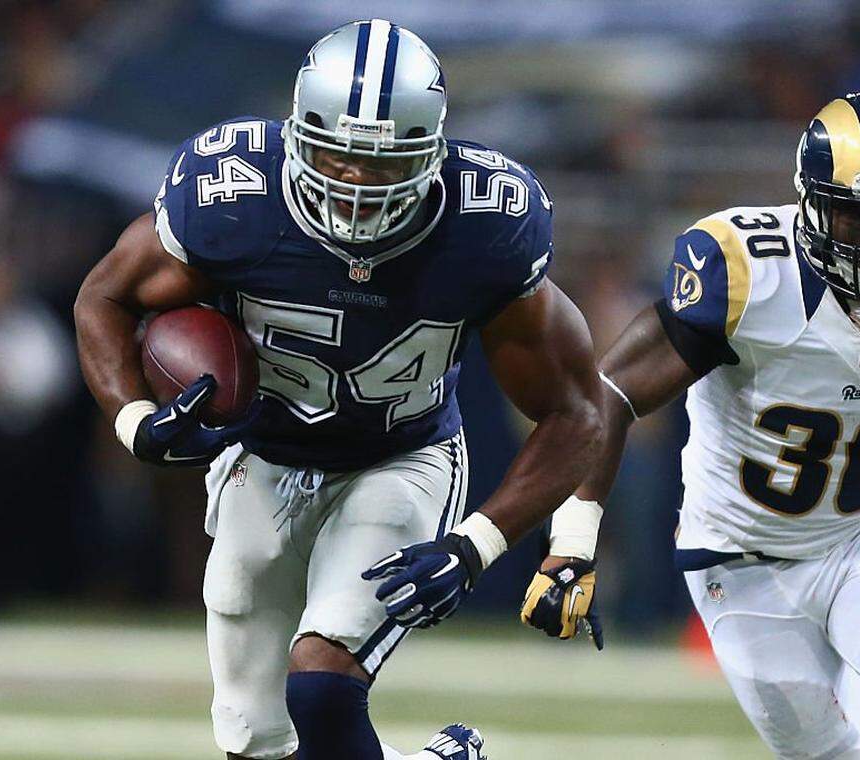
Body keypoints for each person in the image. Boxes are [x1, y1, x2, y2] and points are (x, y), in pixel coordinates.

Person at [74, 19, 602, 760]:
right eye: (336, 154)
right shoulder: (233, 197)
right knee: (255, 738)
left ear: (431, 154)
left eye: (383, 164)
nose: (354, 180)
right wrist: (134, 421)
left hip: (399, 458)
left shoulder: (485, 225)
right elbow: (103, 297)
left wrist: (477, 544)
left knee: (321, 685)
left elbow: (576, 411)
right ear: (296, 136)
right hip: (260, 455)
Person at [522, 92, 860, 759]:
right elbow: (608, 395)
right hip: (741, 556)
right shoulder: (745, 270)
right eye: (855, 215)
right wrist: (572, 546)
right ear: (810, 203)